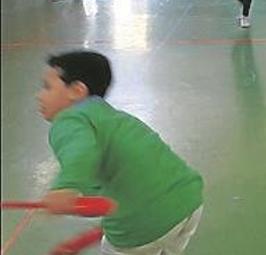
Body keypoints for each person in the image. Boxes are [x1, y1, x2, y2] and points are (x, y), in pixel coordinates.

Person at [37, 51, 203, 254]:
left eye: (47, 87)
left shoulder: (69, 120)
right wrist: (83, 238)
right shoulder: (113, 119)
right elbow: (116, 197)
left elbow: (80, 152)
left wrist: (66, 187)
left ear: (77, 90)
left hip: (145, 223)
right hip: (187, 200)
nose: (40, 95)